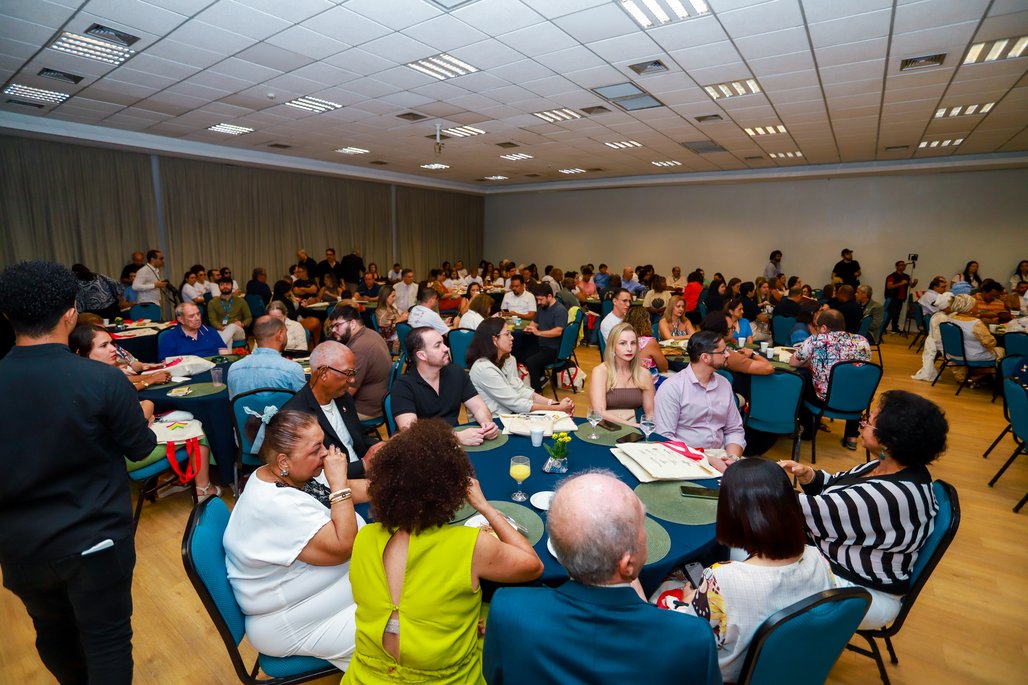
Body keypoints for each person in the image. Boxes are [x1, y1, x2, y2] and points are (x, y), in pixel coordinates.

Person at [0, 261, 156, 685]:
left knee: (51, 631)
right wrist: (142, 414)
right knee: (107, 642)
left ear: (7, 316)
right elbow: (141, 448)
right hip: (95, 542)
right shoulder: (102, 380)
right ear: (71, 314)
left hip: (21, 549)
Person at [344, 420, 542, 683]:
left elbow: (404, 609)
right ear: (452, 485)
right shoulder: (470, 544)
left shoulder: (364, 538)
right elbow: (533, 566)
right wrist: (485, 507)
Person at [484, 470, 720, 685]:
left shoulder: (508, 610)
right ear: (627, 564)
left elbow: (496, 677)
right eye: (642, 526)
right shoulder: (692, 637)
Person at [652, 459, 836, 683]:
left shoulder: (722, 578)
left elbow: (687, 636)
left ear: (733, 513)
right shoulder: (818, 558)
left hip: (726, 675)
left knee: (662, 592)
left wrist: (689, 600)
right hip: (787, 666)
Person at [779, 390, 946, 629]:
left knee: (753, 559)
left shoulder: (891, 495)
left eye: (869, 422)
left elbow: (807, 511)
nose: (862, 423)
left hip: (860, 591)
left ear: (888, 441)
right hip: (844, 565)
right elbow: (836, 487)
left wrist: (754, 481)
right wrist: (809, 476)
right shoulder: (891, 465)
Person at [224, 410, 365, 669]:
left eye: (323, 443)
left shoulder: (287, 473)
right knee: (403, 630)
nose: (325, 452)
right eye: (316, 449)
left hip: (312, 598)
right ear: (283, 460)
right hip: (292, 620)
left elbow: (346, 489)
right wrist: (338, 485)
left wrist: (397, 486)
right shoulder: (275, 505)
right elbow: (344, 546)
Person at [70, 323, 219, 500]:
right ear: (81, 352)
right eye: (103, 346)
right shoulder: (111, 381)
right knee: (197, 430)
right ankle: (203, 490)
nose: (113, 349)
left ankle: (173, 479)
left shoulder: (75, 381)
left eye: (111, 343)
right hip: (124, 456)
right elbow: (136, 428)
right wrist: (147, 413)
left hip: (98, 459)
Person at [281, 342, 383, 479]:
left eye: (354, 373)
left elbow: (358, 438)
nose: (352, 380)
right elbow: (312, 474)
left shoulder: (343, 398)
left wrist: (383, 447)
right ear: (323, 373)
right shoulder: (296, 415)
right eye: (348, 373)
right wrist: (363, 465)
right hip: (337, 483)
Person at [390, 327, 500, 446]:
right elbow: (411, 434)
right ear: (422, 355)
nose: (446, 348)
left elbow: (478, 407)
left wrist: (486, 424)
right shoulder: (403, 386)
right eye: (438, 345)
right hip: (421, 450)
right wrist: (456, 437)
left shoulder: (456, 373)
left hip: (455, 445)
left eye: (443, 343)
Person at [654, 331, 745, 470]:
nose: (727, 354)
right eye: (723, 351)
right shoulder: (672, 387)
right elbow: (664, 437)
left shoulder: (724, 384)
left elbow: (734, 429)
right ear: (705, 357)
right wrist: (708, 460)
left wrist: (732, 458)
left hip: (722, 455)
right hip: (685, 458)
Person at [789, 309, 871, 449]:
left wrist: (812, 362)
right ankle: (851, 436)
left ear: (823, 327)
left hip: (825, 401)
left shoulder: (816, 340)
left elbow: (793, 362)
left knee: (803, 377)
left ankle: (808, 431)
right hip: (857, 400)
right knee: (854, 382)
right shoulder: (862, 341)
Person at [468, 317, 574, 417]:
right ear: (494, 339)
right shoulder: (484, 369)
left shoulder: (506, 360)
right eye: (507, 334)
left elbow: (521, 390)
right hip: (494, 422)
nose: (512, 337)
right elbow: (516, 404)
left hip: (508, 416)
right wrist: (558, 408)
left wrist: (554, 404)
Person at [327, 306, 391, 421]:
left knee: (313, 415)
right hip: (377, 401)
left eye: (337, 325)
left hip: (364, 409)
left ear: (352, 324)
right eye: (332, 326)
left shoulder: (359, 348)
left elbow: (347, 392)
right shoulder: (370, 333)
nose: (333, 330)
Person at [589, 322, 655, 427]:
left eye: (633, 343)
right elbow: (599, 412)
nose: (629, 348)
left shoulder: (644, 374)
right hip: (604, 428)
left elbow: (650, 413)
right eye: (623, 343)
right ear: (612, 346)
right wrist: (631, 425)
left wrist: (645, 428)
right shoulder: (600, 372)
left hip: (634, 430)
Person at [227, 315, 306, 397]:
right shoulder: (292, 369)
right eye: (285, 332)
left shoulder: (233, 369)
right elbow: (304, 401)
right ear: (280, 335)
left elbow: (234, 402)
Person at [519, 285, 568, 392]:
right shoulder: (542, 308)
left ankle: (537, 392)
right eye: (537, 300)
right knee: (519, 353)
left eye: (541, 299)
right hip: (542, 345)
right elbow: (535, 323)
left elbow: (558, 331)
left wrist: (538, 332)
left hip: (554, 349)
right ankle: (541, 378)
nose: (538, 302)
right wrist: (530, 328)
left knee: (531, 362)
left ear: (549, 296)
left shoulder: (560, 310)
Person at [946, 293, 1001, 386]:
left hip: (954, 354)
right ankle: (989, 380)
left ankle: (976, 375)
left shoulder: (950, 318)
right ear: (969, 307)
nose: (977, 307)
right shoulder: (975, 323)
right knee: (1002, 351)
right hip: (972, 356)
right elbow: (990, 342)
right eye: (975, 305)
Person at [699, 312, 774, 378]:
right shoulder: (726, 355)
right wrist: (752, 354)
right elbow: (768, 368)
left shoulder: (699, 346)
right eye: (732, 327)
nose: (734, 329)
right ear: (723, 331)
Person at [911, 292, 954, 381]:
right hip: (940, 344)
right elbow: (941, 339)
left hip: (935, 341)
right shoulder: (942, 318)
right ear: (946, 307)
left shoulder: (939, 315)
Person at [158, 301, 224, 359]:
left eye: (198, 314)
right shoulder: (170, 337)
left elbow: (223, 351)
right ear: (181, 319)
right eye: (191, 316)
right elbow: (166, 363)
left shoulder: (210, 331)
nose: (197, 318)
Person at [207, 276, 252, 346]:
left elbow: (249, 318)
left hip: (238, 331)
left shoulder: (241, 301)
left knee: (232, 326)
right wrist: (221, 327)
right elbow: (213, 320)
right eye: (222, 284)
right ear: (219, 287)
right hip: (221, 330)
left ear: (232, 286)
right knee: (228, 339)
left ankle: (216, 346)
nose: (225, 286)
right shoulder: (212, 303)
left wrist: (242, 324)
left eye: (227, 284)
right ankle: (225, 352)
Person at [625, 305, 668, 377]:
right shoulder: (649, 342)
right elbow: (663, 367)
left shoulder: (621, 340)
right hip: (647, 381)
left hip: (626, 379)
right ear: (646, 322)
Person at [883, 260, 917, 333]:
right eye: (901, 265)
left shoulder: (906, 276)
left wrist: (915, 283)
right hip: (892, 298)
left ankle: (895, 328)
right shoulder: (891, 276)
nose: (903, 266)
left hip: (901, 298)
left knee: (897, 314)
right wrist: (901, 283)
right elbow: (889, 286)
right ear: (896, 266)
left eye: (904, 265)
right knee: (890, 314)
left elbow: (911, 285)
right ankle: (883, 328)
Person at [374, 284, 407, 352]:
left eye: (395, 296)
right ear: (385, 297)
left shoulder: (391, 307)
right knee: (412, 342)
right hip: (388, 342)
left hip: (395, 337)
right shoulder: (381, 312)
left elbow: (395, 320)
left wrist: (402, 316)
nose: (394, 299)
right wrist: (400, 319)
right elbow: (387, 334)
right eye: (393, 296)